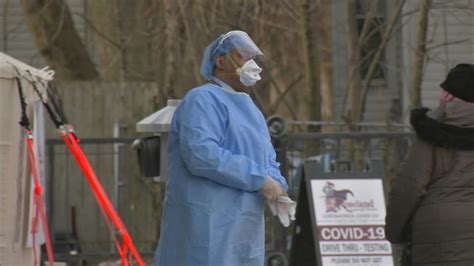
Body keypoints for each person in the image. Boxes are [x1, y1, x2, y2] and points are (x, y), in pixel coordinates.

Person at [154, 30, 289, 266]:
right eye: (242, 55)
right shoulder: (202, 99)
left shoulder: (251, 109)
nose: (251, 63)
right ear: (220, 60)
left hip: (245, 224)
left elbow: (267, 157)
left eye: (253, 58)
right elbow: (202, 155)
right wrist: (260, 180)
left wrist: (278, 187)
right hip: (206, 220)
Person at [385, 63, 474, 265]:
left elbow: (409, 186)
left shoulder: (432, 132)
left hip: (439, 238)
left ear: (452, 95)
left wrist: (393, 232)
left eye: (445, 90)